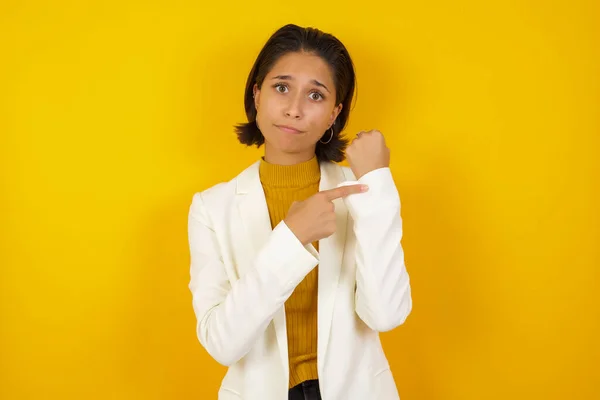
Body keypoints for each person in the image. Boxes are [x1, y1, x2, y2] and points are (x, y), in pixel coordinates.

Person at [187, 23, 412, 400]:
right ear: (257, 94)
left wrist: (377, 184)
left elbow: (386, 315)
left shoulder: (362, 191)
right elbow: (222, 343)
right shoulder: (212, 208)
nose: (294, 109)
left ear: (333, 114)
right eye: (281, 87)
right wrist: (291, 238)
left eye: (315, 95)